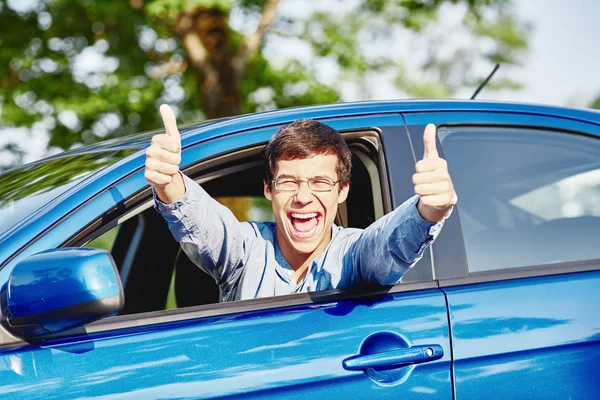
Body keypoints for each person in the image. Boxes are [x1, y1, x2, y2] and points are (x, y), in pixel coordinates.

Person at [145, 105, 457, 301]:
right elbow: (205, 225)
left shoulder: (355, 253)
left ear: (343, 190)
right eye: (288, 182)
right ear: (269, 189)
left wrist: (429, 210)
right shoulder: (246, 249)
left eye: (320, 183)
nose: (303, 197)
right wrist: (168, 181)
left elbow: (387, 244)